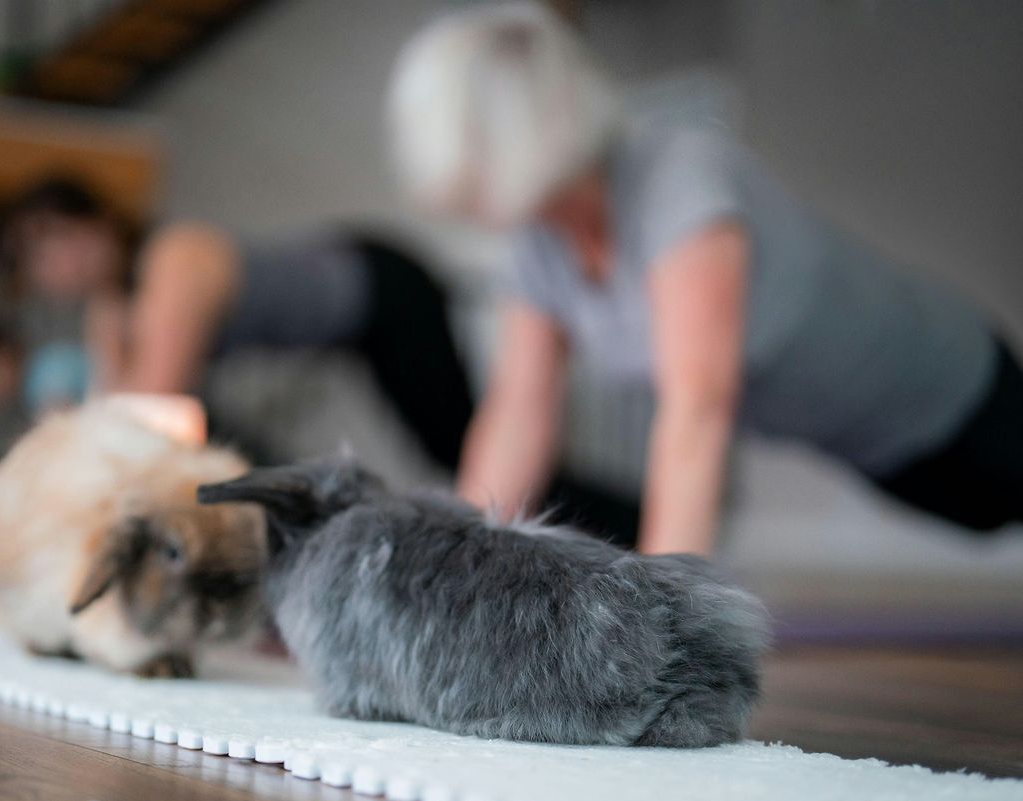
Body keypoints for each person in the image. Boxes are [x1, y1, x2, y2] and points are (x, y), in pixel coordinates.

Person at [386, 2, 1022, 555]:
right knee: (986, 518)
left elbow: (696, 412)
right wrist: (457, 563)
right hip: (875, 447)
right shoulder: (537, 243)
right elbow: (517, 415)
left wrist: (663, 624)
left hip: (955, 388)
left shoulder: (679, 181)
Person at [0, 177, 641, 538]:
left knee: (464, 450)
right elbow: (119, 431)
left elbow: (150, 414)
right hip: (352, 315)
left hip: (387, 291)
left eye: (59, 241)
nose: (56, 266)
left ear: (100, 222)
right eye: (36, 262)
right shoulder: (114, 309)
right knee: (216, 445)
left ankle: (639, 521)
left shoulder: (174, 258)